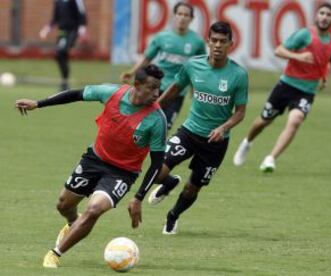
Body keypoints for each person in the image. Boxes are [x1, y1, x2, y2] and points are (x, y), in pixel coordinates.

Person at [15, 64, 167, 268]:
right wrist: (38, 103)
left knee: (94, 209)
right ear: (136, 85)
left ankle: (55, 254)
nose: (156, 93)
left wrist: (138, 197)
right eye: (151, 88)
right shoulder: (112, 93)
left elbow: (157, 163)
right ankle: (73, 223)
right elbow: (77, 94)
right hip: (94, 159)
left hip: (122, 173)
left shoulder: (157, 119)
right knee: (63, 205)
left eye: (159, 88)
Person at [148, 21, 248, 234]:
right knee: (157, 171)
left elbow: (240, 112)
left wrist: (224, 127)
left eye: (223, 41)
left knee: (193, 188)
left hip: (215, 142)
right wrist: (153, 109)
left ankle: (173, 215)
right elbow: (175, 88)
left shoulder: (238, 75)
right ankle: (169, 182)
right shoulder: (193, 65)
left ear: (231, 43)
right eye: (214, 41)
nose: (218, 45)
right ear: (208, 41)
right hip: (189, 132)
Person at [233, 2, 331, 172]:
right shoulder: (304, 35)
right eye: (322, 13)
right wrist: (298, 57)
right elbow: (279, 50)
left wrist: (325, 77)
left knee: (295, 121)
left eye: (329, 14)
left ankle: (270, 158)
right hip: (286, 86)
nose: (324, 17)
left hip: (307, 91)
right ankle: (247, 142)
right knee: (264, 121)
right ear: (316, 15)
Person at [121, 1, 206, 130]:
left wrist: (195, 86)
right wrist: (132, 72)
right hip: (156, 87)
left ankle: (156, 149)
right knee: (143, 121)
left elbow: (199, 67)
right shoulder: (162, 37)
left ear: (191, 18)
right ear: (174, 16)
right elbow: (147, 58)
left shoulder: (197, 42)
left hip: (177, 91)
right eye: (179, 14)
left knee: (165, 126)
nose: (182, 17)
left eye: (186, 15)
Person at [39, 0, 88, 91]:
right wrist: (46, 30)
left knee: (62, 51)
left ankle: (64, 83)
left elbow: (82, 15)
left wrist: (82, 32)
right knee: (59, 55)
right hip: (62, 32)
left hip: (73, 31)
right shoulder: (57, 2)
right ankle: (64, 82)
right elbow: (55, 18)